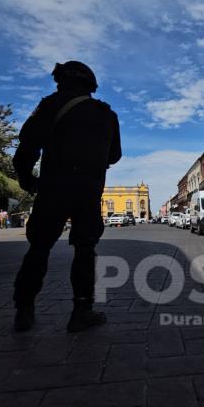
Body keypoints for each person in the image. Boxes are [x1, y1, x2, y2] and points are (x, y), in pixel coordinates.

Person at [12, 60, 122, 333]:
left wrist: (27, 179)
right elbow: (115, 155)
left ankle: (24, 309)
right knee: (85, 250)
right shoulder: (106, 114)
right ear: (91, 86)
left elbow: (27, 146)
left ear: (61, 82)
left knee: (39, 248)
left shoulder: (49, 105)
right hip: (87, 190)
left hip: (53, 187)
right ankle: (81, 311)